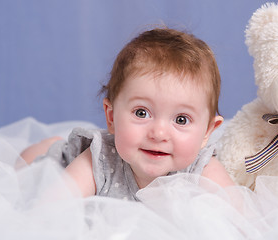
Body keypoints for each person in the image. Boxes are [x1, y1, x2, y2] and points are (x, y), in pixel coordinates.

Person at [21, 27, 234, 201]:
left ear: (207, 131)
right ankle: (46, 146)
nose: (159, 133)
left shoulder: (201, 168)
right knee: (28, 166)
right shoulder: (100, 159)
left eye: (181, 119)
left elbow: (240, 218)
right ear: (112, 117)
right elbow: (51, 208)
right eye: (142, 113)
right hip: (62, 166)